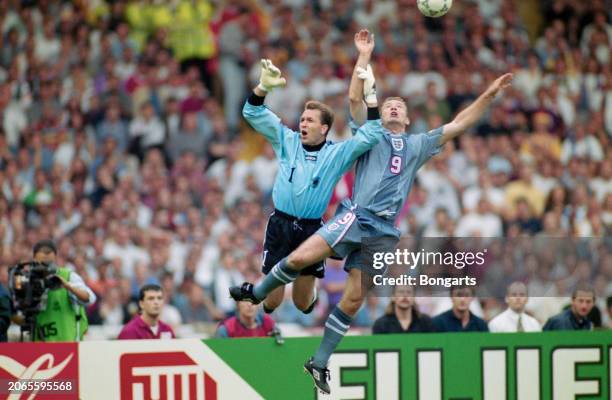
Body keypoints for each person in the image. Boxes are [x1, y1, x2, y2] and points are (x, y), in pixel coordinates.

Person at [231, 28, 513, 392]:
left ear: (408, 119)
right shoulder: (370, 133)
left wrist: (489, 95)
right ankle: (257, 293)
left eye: (400, 106)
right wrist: (363, 56)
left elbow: (459, 123)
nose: (393, 106)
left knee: (353, 297)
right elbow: (353, 97)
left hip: (384, 232)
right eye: (389, 104)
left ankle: (318, 362)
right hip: (355, 215)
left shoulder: (419, 145)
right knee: (300, 259)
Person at [240, 30, 382, 317]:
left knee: (303, 304)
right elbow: (252, 113)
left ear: (324, 128)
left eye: (310, 121)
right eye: (302, 119)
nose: (303, 124)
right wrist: (262, 89)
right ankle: (272, 298)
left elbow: (371, 136)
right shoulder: (287, 139)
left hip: (311, 230)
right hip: (280, 224)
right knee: (272, 303)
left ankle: (311, 295)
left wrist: (373, 102)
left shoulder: (336, 153)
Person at [31, 240, 96, 341]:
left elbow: (90, 298)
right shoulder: (28, 279)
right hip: (41, 347)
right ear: (34, 260)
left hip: (68, 345)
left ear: (55, 259)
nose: (45, 267)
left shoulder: (68, 276)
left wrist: (68, 286)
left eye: (49, 263)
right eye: (41, 263)